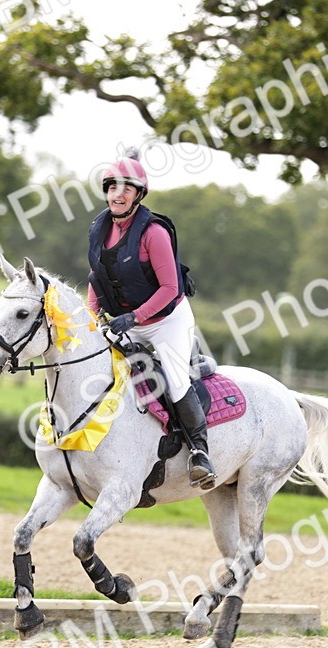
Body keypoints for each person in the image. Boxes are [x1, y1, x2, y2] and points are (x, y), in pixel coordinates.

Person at [86, 153, 217, 489]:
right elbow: (96, 276)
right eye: (112, 186)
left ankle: (200, 452)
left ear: (139, 194)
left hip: (167, 318)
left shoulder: (154, 232)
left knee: (173, 380)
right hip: (128, 322)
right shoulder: (99, 229)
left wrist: (134, 317)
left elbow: (170, 288)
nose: (118, 194)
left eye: (126, 188)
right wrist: (92, 318)